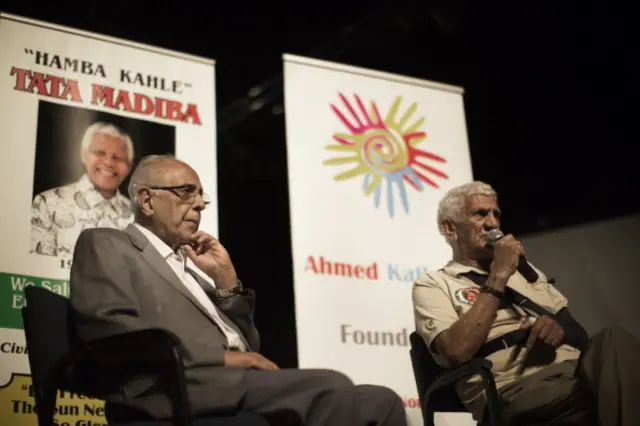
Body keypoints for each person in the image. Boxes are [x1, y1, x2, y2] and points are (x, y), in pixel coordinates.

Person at [69, 154, 407, 426]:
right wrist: (223, 358)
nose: (200, 204)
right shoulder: (108, 244)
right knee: (331, 385)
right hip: (170, 386)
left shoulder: (193, 270)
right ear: (147, 199)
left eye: (202, 197)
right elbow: (113, 332)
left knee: (382, 401)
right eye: (187, 192)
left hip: (229, 382)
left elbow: (249, 345)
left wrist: (226, 281)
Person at [412, 181, 640, 426]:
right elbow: (456, 351)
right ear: (449, 229)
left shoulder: (526, 273)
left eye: (495, 214)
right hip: (514, 388)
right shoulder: (434, 284)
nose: (492, 223)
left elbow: (580, 336)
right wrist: (499, 274)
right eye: (480, 214)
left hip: (575, 370)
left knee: (614, 340)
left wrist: (556, 329)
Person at [30, 121, 134, 257]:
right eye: (100, 153)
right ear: (83, 155)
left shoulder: (138, 218)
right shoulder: (47, 204)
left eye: (117, 158)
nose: (108, 163)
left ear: (129, 166)